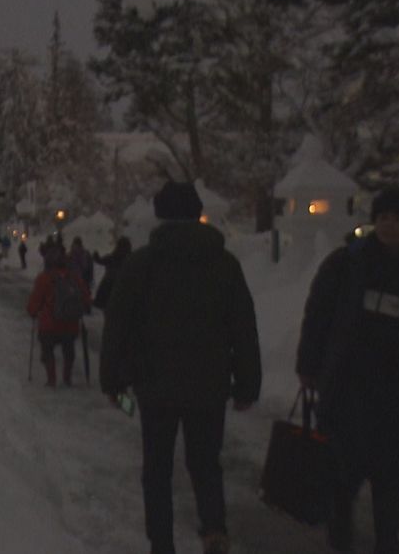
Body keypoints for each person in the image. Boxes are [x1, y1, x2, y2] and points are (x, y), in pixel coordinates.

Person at [296, 187, 399, 554]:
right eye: (384, 217)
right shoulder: (346, 263)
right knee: (342, 472)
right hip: (348, 389)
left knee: (393, 475)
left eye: (398, 219)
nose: (390, 225)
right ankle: (340, 538)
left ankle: (388, 539)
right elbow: (318, 316)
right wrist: (308, 366)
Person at [100, 181, 260, 554]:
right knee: (205, 463)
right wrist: (247, 383)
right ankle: (215, 529)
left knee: (157, 468)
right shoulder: (224, 263)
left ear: (159, 214)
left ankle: (162, 542)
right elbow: (243, 326)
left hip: (154, 383)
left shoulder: (142, 264)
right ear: (197, 213)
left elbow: (117, 325)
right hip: (210, 382)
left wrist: (112, 380)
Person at [27, 246, 91, 387]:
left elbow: (36, 300)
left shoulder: (44, 278)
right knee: (69, 350)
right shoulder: (74, 278)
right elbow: (86, 297)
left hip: (49, 324)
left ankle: (52, 379)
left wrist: (32, 311)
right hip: (70, 323)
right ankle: (67, 378)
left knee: (47, 351)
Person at [92, 236, 132, 310]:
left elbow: (100, 260)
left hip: (108, 284)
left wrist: (96, 257)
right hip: (123, 286)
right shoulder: (130, 258)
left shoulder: (113, 256)